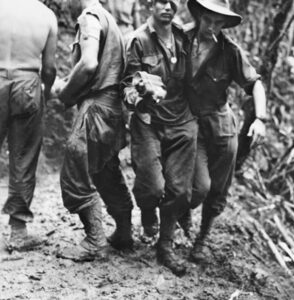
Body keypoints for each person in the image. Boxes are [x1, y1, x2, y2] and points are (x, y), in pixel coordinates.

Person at [185, 0, 267, 263]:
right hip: (190, 124)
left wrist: (261, 119)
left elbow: (255, 84)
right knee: (197, 187)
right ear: (199, 15)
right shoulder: (180, 38)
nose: (212, 27)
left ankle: (201, 240)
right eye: (208, 20)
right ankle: (183, 212)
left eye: (219, 23)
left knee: (217, 190)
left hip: (221, 129)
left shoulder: (230, 51)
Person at [54, 0, 133, 262]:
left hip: (97, 108)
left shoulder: (90, 17)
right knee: (104, 169)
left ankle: (95, 241)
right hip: (111, 108)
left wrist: (65, 94)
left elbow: (88, 64)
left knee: (75, 168)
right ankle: (123, 233)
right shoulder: (108, 18)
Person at [123, 0, 198, 276]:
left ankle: (165, 246)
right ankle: (146, 210)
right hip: (148, 122)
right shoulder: (138, 41)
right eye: (160, 1)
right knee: (153, 187)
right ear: (149, 4)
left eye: (173, 1)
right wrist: (140, 89)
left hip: (182, 123)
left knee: (180, 191)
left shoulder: (184, 36)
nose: (167, 6)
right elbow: (127, 88)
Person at [0, 0, 57, 251]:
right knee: (23, 158)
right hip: (27, 83)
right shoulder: (45, 15)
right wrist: (46, 89)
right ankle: (18, 232)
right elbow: (50, 68)